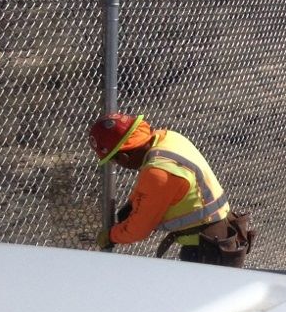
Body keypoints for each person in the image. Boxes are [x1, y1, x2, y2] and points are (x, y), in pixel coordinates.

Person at [87, 113, 254, 265]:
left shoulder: (158, 173)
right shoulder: (169, 138)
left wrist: (111, 236)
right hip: (219, 235)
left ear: (124, 156)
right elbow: (150, 184)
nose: (118, 165)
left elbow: (139, 230)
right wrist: (132, 203)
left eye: (115, 161)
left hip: (206, 249)